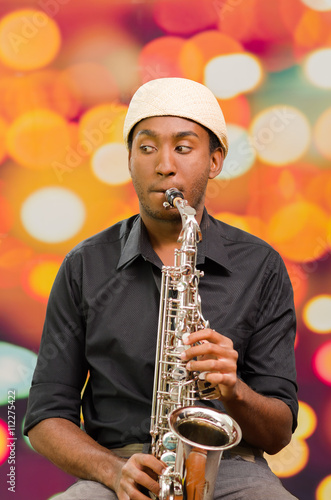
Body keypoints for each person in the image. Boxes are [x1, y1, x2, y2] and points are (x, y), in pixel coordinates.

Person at [24, 77, 298, 500]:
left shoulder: (261, 266)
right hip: (117, 467)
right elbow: (44, 417)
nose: (164, 165)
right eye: (147, 148)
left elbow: (278, 433)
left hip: (231, 469)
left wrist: (234, 388)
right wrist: (113, 471)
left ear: (215, 161)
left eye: (184, 148)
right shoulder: (83, 265)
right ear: (129, 159)